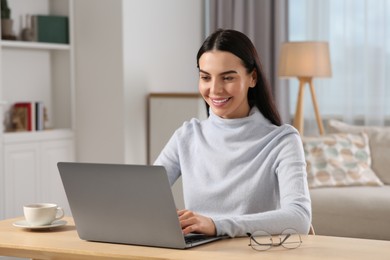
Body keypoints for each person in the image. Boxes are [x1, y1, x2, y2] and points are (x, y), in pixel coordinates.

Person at [154, 29, 311, 238]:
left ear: (252, 78)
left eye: (227, 78)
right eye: (205, 77)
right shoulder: (187, 136)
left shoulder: (282, 141)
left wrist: (217, 225)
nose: (215, 89)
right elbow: (143, 195)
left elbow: (299, 218)